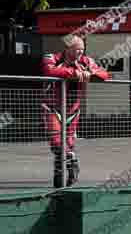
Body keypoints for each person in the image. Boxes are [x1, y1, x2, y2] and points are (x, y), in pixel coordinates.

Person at [42, 35, 111, 187]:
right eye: (77, 49)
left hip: (73, 109)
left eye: (82, 49)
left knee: (67, 145)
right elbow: (49, 71)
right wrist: (73, 73)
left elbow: (105, 74)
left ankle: (60, 180)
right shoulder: (52, 57)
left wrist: (90, 74)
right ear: (67, 48)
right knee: (56, 143)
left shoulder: (86, 61)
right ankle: (72, 162)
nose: (80, 52)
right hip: (52, 107)